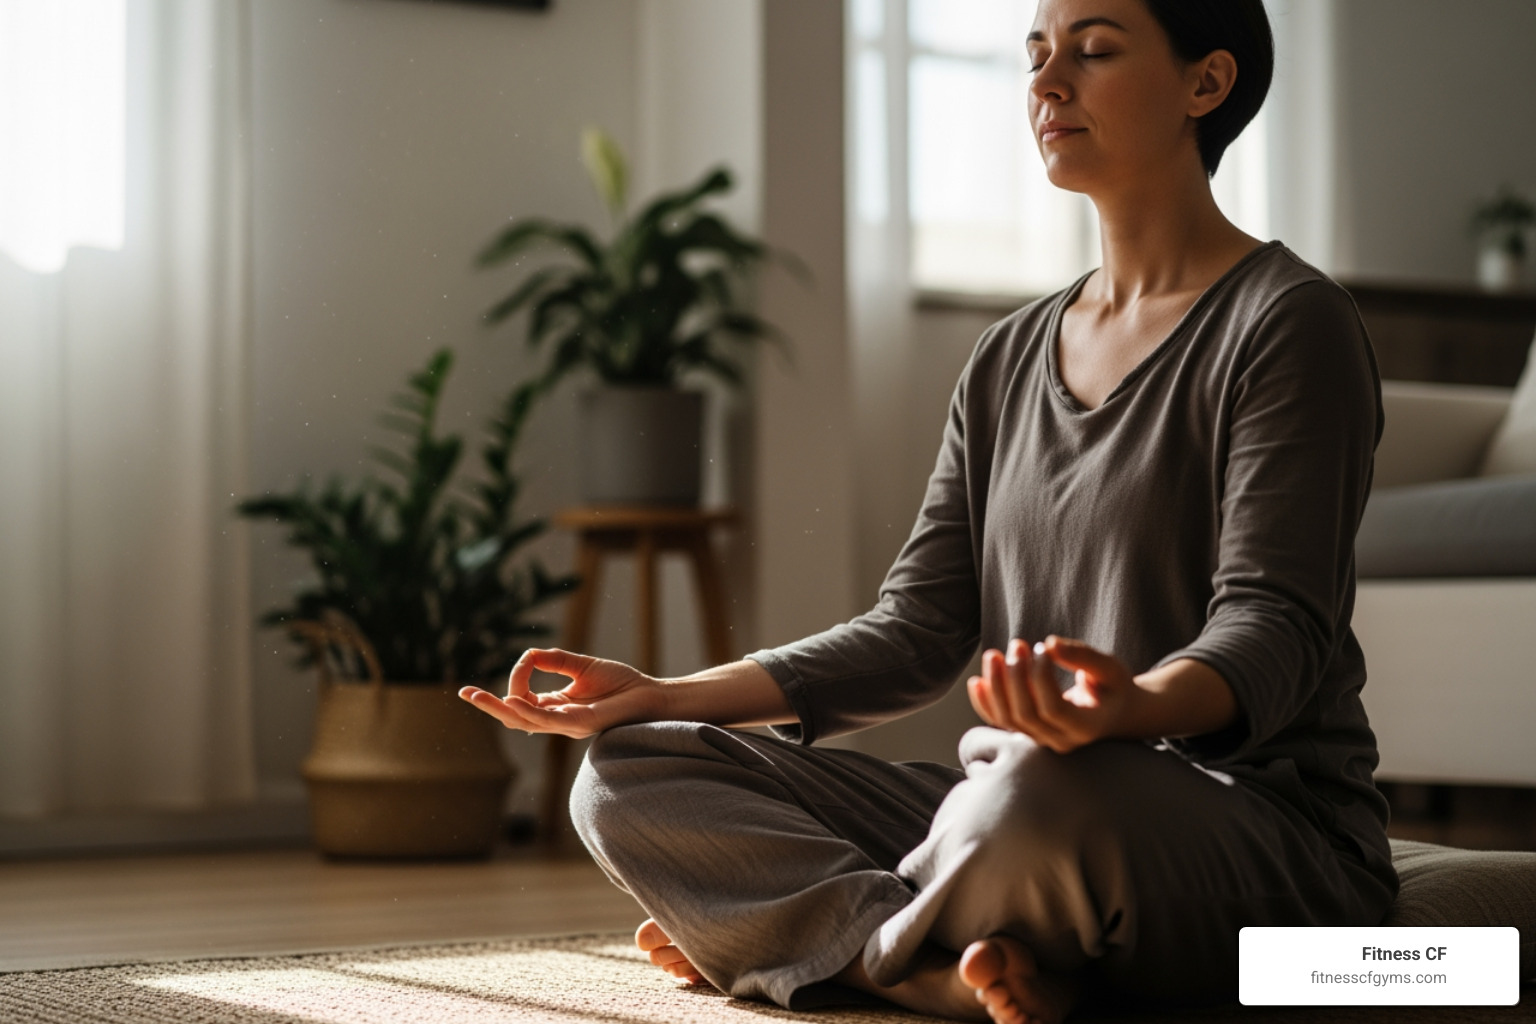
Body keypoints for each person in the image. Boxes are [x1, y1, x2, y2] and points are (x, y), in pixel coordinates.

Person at [460, 0, 1399, 1020]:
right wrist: (659, 692)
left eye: (1091, 51)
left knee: (1028, 800)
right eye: (1036, 53)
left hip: (1249, 831)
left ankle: (828, 942)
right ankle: (919, 959)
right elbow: (915, 630)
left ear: (1204, 85)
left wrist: (1132, 706)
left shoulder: (1289, 322)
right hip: (1013, 806)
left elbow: (1276, 625)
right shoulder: (1006, 357)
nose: (1046, 83)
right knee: (626, 773)